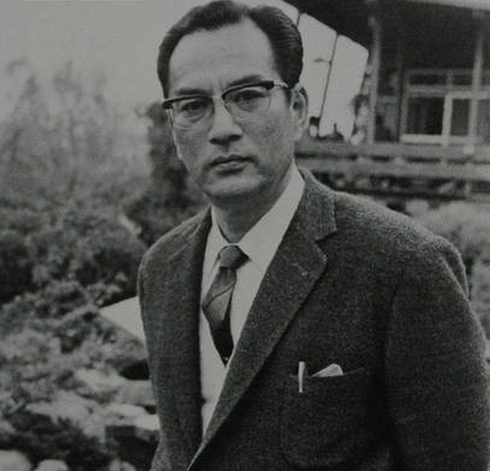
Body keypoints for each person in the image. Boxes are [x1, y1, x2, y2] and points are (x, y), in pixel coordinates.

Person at [137, 1, 490, 470]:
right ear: (173, 127)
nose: (222, 128)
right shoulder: (162, 268)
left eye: (248, 96)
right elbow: (180, 445)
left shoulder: (403, 266)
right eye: (193, 106)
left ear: (298, 109)